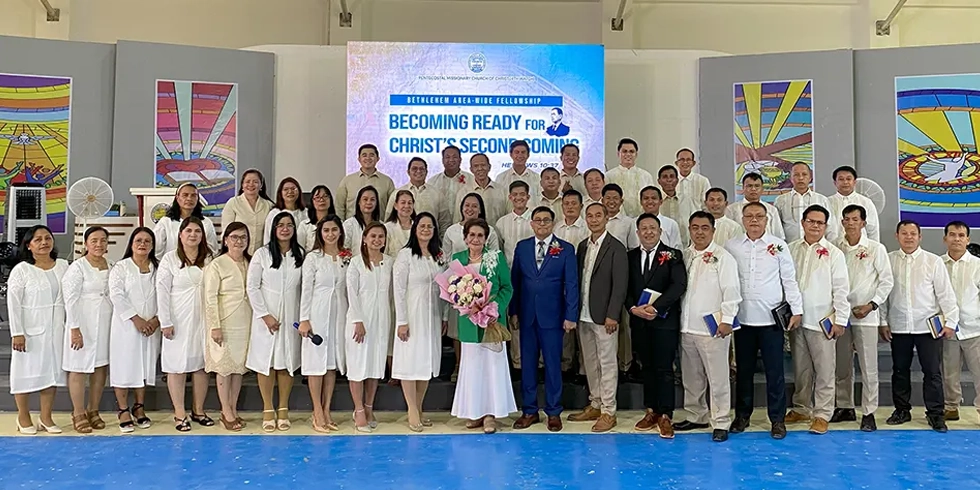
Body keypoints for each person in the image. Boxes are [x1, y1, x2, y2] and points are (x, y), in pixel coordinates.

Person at [725, 201, 802, 439]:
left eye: (759, 216)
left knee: (775, 372)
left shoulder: (778, 246)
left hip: (771, 322)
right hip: (743, 320)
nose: (754, 220)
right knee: (744, 372)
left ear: (767, 220)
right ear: (742, 219)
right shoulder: (731, 246)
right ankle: (742, 416)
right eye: (750, 216)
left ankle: (777, 419)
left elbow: (789, 279)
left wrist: (796, 310)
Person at [880, 220, 959, 432]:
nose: (908, 237)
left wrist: (951, 322)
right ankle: (902, 410)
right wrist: (883, 321)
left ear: (920, 236)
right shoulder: (888, 260)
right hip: (899, 326)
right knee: (900, 371)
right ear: (897, 236)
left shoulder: (933, 261)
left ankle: (935, 414)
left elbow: (946, 295)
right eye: (904, 233)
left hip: (928, 327)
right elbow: (884, 295)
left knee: (932, 372)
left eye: (913, 233)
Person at [510, 206, 580, 433]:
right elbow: (515, 282)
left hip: (554, 317)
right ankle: (529, 410)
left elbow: (571, 284)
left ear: (553, 223)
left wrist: (571, 315)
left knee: (552, 365)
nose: (542, 224)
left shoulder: (566, 249)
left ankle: (553, 411)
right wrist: (514, 311)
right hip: (527, 316)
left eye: (546, 221)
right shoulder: (522, 248)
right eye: (538, 220)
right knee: (527, 365)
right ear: (531, 223)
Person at [672, 211, 740, 442]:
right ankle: (696, 414)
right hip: (687, 326)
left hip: (714, 328)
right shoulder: (684, 255)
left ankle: (720, 420)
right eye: (694, 227)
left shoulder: (723, 258)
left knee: (718, 377)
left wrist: (727, 320)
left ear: (713, 230)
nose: (699, 232)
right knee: (691, 377)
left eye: (704, 227)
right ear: (689, 229)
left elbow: (732, 291)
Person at [785, 205, 850, 435]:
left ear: (825, 226)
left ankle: (822, 413)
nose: (814, 226)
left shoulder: (834, 253)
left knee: (824, 370)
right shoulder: (790, 249)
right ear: (802, 223)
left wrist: (841, 319)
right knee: (801, 368)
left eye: (819, 223)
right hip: (797, 320)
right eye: (810, 221)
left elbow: (842, 289)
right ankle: (802, 407)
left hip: (823, 321)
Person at [449, 218, 516, 434]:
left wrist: (494, 308)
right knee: (473, 368)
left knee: (491, 368)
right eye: (472, 235)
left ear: (486, 238)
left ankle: (490, 414)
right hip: (469, 322)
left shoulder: (495, 258)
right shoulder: (458, 259)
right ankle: (475, 411)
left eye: (480, 235)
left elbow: (507, 287)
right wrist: (465, 304)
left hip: (492, 321)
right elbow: (452, 290)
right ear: (465, 237)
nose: (476, 239)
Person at [566, 203, 628, 433]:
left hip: (605, 317)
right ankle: (595, 403)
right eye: (589, 216)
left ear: (606, 218)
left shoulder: (616, 247)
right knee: (590, 363)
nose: (593, 220)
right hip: (584, 314)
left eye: (598, 215)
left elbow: (620, 285)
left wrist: (613, 314)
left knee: (608, 363)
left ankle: (608, 411)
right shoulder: (582, 246)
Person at [626, 214, 688, 438]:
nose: (648, 232)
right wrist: (633, 308)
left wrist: (656, 308)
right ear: (638, 233)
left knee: (664, 369)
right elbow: (626, 288)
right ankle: (651, 409)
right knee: (647, 367)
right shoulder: (630, 256)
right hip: (639, 321)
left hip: (664, 321)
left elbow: (678, 285)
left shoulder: (672, 255)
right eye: (644, 228)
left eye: (653, 228)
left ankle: (665, 415)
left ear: (660, 231)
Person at [832, 204, 892, 431]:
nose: (850, 223)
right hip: (841, 314)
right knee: (842, 365)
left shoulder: (876, 248)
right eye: (846, 219)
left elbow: (887, 281)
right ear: (842, 222)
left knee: (869, 366)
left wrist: (871, 305)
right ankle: (845, 405)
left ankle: (869, 411)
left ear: (863, 223)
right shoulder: (835, 247)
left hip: (866, 314)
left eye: (855, 219)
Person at [7, 225, 69, 434]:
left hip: (56, 330)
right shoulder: (22, 270)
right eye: (38, 239)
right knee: (24, 373)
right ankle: (23, 416)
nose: (44, 243)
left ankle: (46, 417)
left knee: (50, 374)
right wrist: (17, 332)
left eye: (47, 238)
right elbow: (13, 303)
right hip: (29, 330)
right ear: (29, 245)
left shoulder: (63, 266)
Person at [246, 212, 305, 432]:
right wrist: (265, 315)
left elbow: (305, 287)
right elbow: (252, 287)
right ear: (273, 228)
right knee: (267, 362)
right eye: (280, 225)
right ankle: (268, 407)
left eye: (289, 225)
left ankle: (283, 408)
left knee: (286, 362)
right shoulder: (262, 254)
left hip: (291, 315)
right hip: (266, 316)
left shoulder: (300, 254)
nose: (285, 229)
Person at [156, 218, 214, 432]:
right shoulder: (170, 259)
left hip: (203, 319)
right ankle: (179, 412)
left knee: (200, 365)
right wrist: (165, 321)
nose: (193, 234)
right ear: (180, 235)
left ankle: (198, 410)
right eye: (188, 230)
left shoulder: (209, 258)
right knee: (176, 366)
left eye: (197, 231)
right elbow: (161, 291)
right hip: (177, 320)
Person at [393, 212, 447, 432]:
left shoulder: (437, 256)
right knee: (410, 363)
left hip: (432, 316)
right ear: (414, 229)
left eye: (430, 226)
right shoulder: (405, 255)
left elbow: (444, 288)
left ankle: (420, 407)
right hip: (412, 316)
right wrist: (402, 321)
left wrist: (443, 317)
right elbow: (398, 289)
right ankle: (411, 409)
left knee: (426, 363)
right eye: (422, 226)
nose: (426, 230)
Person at [298, 216, 349, 432]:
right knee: (315, 364)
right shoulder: (313, 258)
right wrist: (304, 319)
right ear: (320, 233)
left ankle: (327, 408)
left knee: (330, 365)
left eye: (334, 229)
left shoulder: (347, 257)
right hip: (317, 313)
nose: (330, 234)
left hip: (339, 313)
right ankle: (317, 410)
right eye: (326, 230)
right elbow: (306, 289)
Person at [109, 227, 161, 433]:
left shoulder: (158, 267)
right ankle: (122, 409)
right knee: (124, 366)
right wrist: (136, 319)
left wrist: (156, 320)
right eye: (138, 240)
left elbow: (165, 294)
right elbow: (116, 295)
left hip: (151, 326)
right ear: (131, 244)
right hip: (126, 326)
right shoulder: (121, 268)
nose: (143, 244)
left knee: (143, 366)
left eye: (147, 241)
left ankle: (139, 407)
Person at [62, 226, 113, 433]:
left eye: (103, 240)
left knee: (100, 367)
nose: (99, 244)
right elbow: (70, 299)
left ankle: (94, 410)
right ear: (86, 243)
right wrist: (75, 328)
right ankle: (78, 412)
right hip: (82, 323)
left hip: (105, 323)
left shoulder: (112, 265)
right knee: (78, 368)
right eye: (94, 240)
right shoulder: (77, 267)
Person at [203, 222, 253, 432]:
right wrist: (215, 325)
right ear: (225, 240)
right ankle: (225, 410)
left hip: (245, 322)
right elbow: (210, 297)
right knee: (224, 368)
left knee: (237, 369)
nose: (238, 241)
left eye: (243, 237)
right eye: (234, 237)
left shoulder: (251, 262)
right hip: (224, 322)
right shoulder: (217, 264)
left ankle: (232, 407)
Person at [346, 223, 394, 432]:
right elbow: (352, 293)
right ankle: (357, 410)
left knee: (375, 365)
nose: (377, 240)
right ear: (364, 238)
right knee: (358, 367)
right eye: (373, 236)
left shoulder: (390, 263)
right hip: (360, 321)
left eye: (380, 236)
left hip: (382, 319)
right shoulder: (356, 263)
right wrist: (358, 320)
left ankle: (369, 406)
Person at [940, 221, 980, 423]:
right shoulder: (937, 264)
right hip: (948, 329)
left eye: (961, 235)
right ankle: (951, 406)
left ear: (968, 239)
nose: (957, 239)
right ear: (945, 238)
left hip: (975, 328)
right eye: (953, 235)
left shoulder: (978, 265)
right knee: (949, 372)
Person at [774, 162, 838, 244]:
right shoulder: (781, 200)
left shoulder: (822, 200)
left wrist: (827, 249)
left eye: (804, 174)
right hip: (789, 249)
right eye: (796, 175)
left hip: (817, 250)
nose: (800, 178)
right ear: (791, 178)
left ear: (810, 178)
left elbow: (831, 228)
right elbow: (777, 229)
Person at [154, 182, 219, 259]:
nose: (189, 198)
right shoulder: (166, 222)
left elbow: (212, 250)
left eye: (193, 195)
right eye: (185, 195)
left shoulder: (206, 222)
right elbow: (157, 251)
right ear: (177, 198)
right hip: (172, 266)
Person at [384, 157, 447, 229]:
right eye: (414, 168)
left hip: (430, 237)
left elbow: (444, 222)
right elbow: (388, 220)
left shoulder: (437, 194)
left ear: (426, 172)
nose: (418, 171)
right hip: (402, 238)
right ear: (408, 172)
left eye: (421, 169)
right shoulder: (396, 194)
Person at [336, 143, 396, 219]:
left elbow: (391, 208)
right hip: (352, 228)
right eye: (364, 155)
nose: (368, 158)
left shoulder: (387, 182)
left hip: (379, 227)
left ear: (378, 158)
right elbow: (339, 207)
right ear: (359, 159)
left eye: (371, 155)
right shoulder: (347, 181)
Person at [221, 168, 273, 254]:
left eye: (255, 182)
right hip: (237, 252)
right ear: (242, 185)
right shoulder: (233, 203)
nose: (251, 184)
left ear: (261, 185)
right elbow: (226, 231)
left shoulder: (268, 205)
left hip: (260, 254)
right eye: (247, 181)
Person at [427, 145, 473, 236]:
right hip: (438, 230)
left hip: (466, 230)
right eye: (447, 157)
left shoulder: (471, 180)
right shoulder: (432, 182)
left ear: (460, 160)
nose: (451, 160)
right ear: (442, 160)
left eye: (454, 157)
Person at [726, 173, 785, 239]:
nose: (753, 189)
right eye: (749, 186)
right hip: (740, 247)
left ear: (762, 188)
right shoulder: (731, 209)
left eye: (757, 186)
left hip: (766, 247)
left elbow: (778, 235)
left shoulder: (771, 209)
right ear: (743, 188)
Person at [828, 165, 879, 241]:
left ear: (854, 182)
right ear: (835, 182)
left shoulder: (865, 202)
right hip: (833, 247)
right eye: (841, 179)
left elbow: (873, 230)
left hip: (860, 249)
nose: (845, 182)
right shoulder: (827, 202)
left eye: (848, 179)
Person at [606, 138, 654, 218]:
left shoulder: (646, 176)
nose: (628, 154)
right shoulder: (609, 176)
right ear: (618, 154)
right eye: (624, 151)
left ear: (636, 154)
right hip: (617, 220)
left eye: (631, 151)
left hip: (642, 219)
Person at [455, 153, 507, 224]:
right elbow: (457, 220)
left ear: (489, 167)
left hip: (496, 234)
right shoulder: (463, 192)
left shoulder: (502, 191)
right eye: (476, 166)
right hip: (471, 234)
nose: (480, 169)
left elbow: (508, 217)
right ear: (471, 169)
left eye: (483, 165)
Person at [657, 165, 698, 247]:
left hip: (684, 245)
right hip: (661, 246)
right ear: (659, 181)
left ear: (677, 180)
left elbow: (695, 221)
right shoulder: (656, 201)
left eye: (672, 177)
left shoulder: (686, 200)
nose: (669, 180)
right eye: (665, 177)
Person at [264, 177, 306, 244]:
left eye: (293, 189)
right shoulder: (274, 213)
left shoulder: (306, 212)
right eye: (286, 189)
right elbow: (268, 238)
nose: (290, 192)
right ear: (280, 193)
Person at [343, 185, 382, 254]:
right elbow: (344, 249)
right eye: (365, 199)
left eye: (372, 199)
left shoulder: (382, 225)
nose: (369, 202)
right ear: (359, 202)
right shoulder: (349, 224)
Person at [298, 185, 336, 250]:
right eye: (317, 197)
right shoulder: (304, 225)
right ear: (312, 201)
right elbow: (299, 249)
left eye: (325, 196)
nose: (322, 200)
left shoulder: (338, 223)